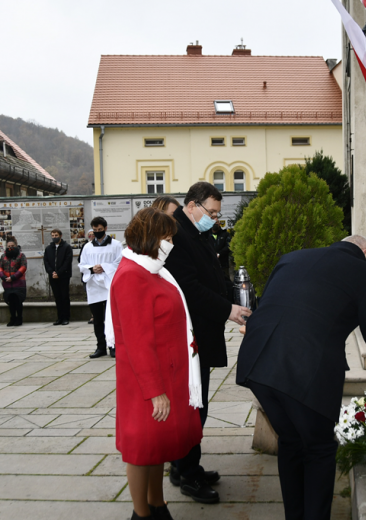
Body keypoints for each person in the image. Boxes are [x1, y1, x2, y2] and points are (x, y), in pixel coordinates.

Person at [236, 235, 366, 520]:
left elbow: (267, 304)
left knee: (291, 441)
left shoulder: (292, 257)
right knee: (319, 448)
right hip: (305, 369)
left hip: (257, 362)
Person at [110, 207, 203, 520]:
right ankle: (141, 513)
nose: (170, 243)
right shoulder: (132, 276)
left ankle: (157, 503)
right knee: (141, 450)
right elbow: (137, 342)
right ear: (150, 238)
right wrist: (155, 391)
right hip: (146, 380)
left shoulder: (153, 268)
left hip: (167, 373)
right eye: (166, 237)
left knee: (156, 448)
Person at [164, 181, 252, 503]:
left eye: (217, 214)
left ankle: (183, 465)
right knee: (193, 407)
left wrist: (238, 295)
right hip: (190, 337)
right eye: (211, 213)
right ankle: (189, 475)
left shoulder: (196, 233)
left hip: (202, 333)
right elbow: (190, 289)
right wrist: (228, 310)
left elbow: (214, 277)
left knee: (196, 405)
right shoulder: (178, 236)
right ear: (192, 205)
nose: (215, 219)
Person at [79, 217, 122, 358]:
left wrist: (104, 267)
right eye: (95, 230)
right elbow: (82, 264)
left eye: (100, 230)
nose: (97, 232)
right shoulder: (87, 247)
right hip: (94, 287)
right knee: (97, 320)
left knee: (112, 318)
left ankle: (113, 346)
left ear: (106, 228)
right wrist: (92, 269)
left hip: (110, 285)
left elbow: (120, 263)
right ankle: (100, 347)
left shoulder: (116, 245)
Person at [43, 229, 73, 326]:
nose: (54, 237)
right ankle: (59, 317)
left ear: (60, 235)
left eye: (56, 235)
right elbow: (46, 261)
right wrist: (51, 272)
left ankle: (66, 317)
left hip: (64, 275)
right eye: (53, 235)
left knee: (64, 296)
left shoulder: (67, 247)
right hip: (53, 276)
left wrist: (59, 273)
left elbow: (67, 262)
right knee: (57, 297)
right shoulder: (48, 248)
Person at [0, 236, 27, 327]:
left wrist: (13, 277)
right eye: (8, 246)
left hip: (18, 283)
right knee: (10, 302)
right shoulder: (3, 256)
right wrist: (3, 277)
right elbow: (0, 268)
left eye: (12, 246)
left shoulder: (21, 256)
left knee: (18, 301)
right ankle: (12, 318)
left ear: (16, 245)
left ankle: (19, 318)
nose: (10, 247)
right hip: (7, 283)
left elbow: (23, 267)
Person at [79, 230, 95, 324]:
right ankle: (93, 315)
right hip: (88, 274)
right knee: (90, 296)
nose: (91, 236)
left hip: (100, 273)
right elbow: (81, 260)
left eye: (93, 234)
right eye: (90, 235)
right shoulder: (86, 246)